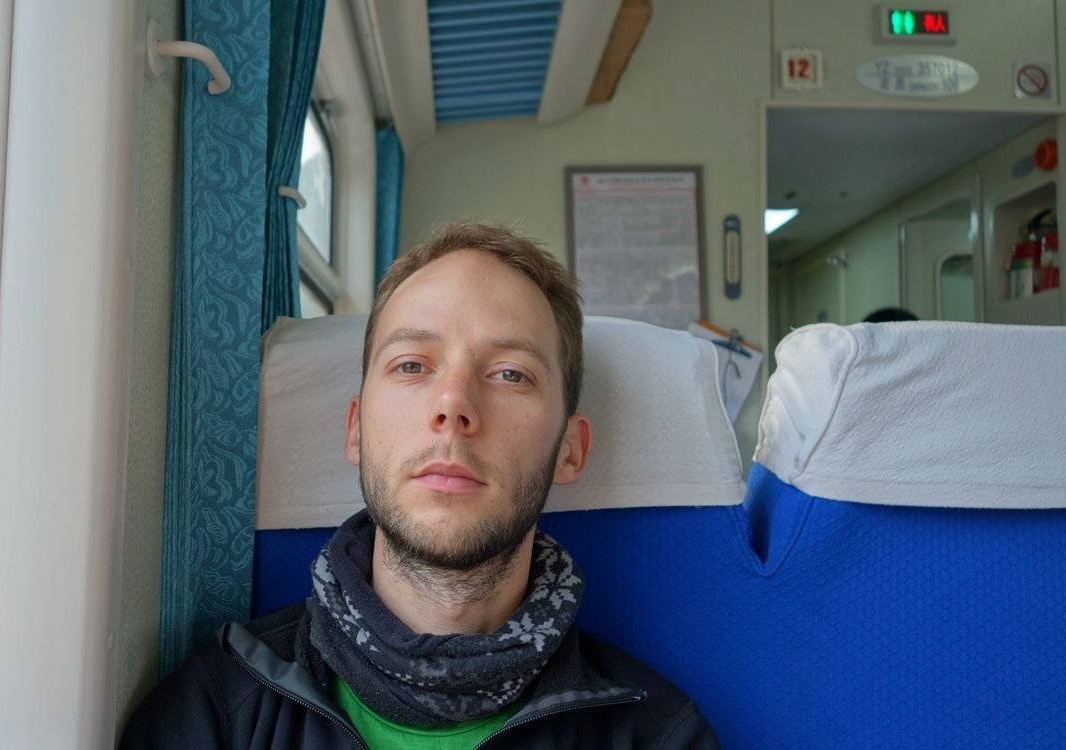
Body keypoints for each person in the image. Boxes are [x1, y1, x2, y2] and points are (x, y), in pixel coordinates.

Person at [120, 222, 720, 749]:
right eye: (412, 365)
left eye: (510, 374)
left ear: (570, 448)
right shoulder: (213, 717)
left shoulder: (661, 738)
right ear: (357, 430)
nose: (453, 405)